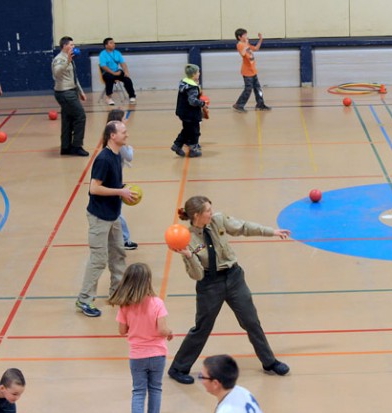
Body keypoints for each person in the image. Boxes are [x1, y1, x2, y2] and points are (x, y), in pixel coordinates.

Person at [167, 195, 290, 384]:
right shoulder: (188, 238)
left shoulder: (219, 220)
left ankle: (269, 361)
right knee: (202, 328)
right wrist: (189, 256)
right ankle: (178, 368)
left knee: (251, 321)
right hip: (209, 284)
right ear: (197, 215)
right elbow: (197, 275)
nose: (211, 212)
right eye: (208, 210)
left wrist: (271, 231)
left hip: (234, 278)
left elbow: (243, 227)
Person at [75, 120, 138, 317]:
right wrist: (120, 191)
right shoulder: (103, 158)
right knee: (99, 259)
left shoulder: (116, 155)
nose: (126, 135)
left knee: (118, 254)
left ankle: (117, 292)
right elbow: (94, 188)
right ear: (113, 135)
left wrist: (123, 189)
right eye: (123, 132)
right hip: (99, 218)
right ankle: (84, 299)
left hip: (113, 216)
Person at [108, 262, 173, 413]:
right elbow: (162, 329)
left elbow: (122, 330)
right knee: (155, 389)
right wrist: (169, 332)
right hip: (157, 354)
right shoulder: (157, 303)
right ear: (148, 281)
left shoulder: (125, 305)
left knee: (138, 391)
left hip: (137, 356)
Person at [52, 36, 89, 157]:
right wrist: (67, 61)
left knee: (67, 118)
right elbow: (57, 73)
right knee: (80, 116)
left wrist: (80, 91)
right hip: (65, 93)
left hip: (71, 91)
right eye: (71, 45)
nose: (73, 47)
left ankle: (65, 147)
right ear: (64, 46)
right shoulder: (59, 59)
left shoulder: (70, 58)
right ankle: (77, 146)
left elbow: (74, 77)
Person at [107, 109, 138, 250]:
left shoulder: (108, 137)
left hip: (114, 178)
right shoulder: (120, 143)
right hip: (114, 182)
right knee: (117, 212)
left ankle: (115, 237)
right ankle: (124, 239)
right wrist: (130, 147)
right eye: (124, 119)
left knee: (114, 212)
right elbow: (129, 156)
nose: (126, 120)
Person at [171, 64, 207, 158]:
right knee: (194, 131)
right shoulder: (192, 87)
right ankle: (193, 149)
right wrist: (202, 103)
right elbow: (192, 101)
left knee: (187, 130)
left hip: (182, 112)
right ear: (194, 74)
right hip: (191, 114)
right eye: (198, 72)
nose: (199, 73)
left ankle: (177, 145)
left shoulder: (184, 82)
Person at [232, 28, 271, 113]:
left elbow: (256, 48)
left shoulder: (246, 44)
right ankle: (239, 105)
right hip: (247, 72)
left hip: (253, 70)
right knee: (248, 89)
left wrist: (260, 40)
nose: (246, 36)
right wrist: (246, 44)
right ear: (239, 37)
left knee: (258, 89)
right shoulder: (240, 45)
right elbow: (242, 53)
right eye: (244, 35)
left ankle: (260, 104)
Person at [99, 38, 137, 105]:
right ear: (106, 45)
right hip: (107, 73)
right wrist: (113, 73)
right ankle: (109, 98)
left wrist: (126, 72)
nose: (113, 44)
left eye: (114, 43)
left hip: (117, 72)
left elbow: (123, 63)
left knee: (127, 79)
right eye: (111, 43)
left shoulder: (117, 53)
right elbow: (103, 66)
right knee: (109, 78)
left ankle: (132, 96)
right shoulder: (102, 54)